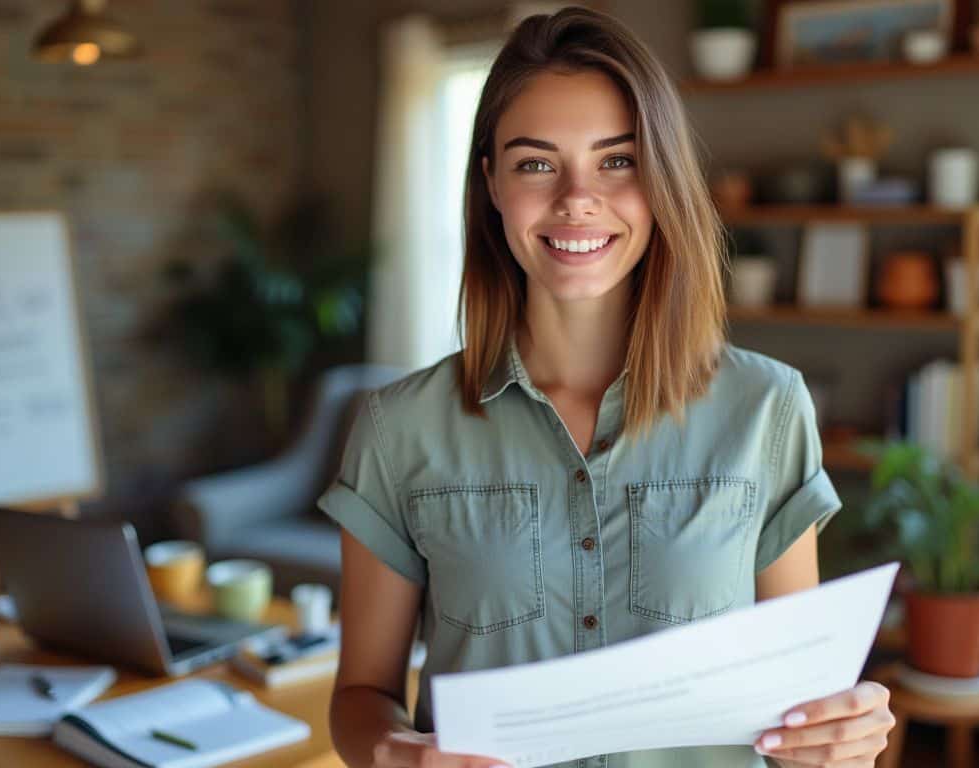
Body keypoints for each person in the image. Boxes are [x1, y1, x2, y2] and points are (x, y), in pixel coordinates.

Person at [317, 7, 895, 768]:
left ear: (661, 179)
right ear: (491, 181)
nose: (576, 198)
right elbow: (361, 695)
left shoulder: (769, 410)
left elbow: (795, 709)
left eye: (617, 161)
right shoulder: (400, 428)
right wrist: (398, 755)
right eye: (535, 163)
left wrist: (836, 737)